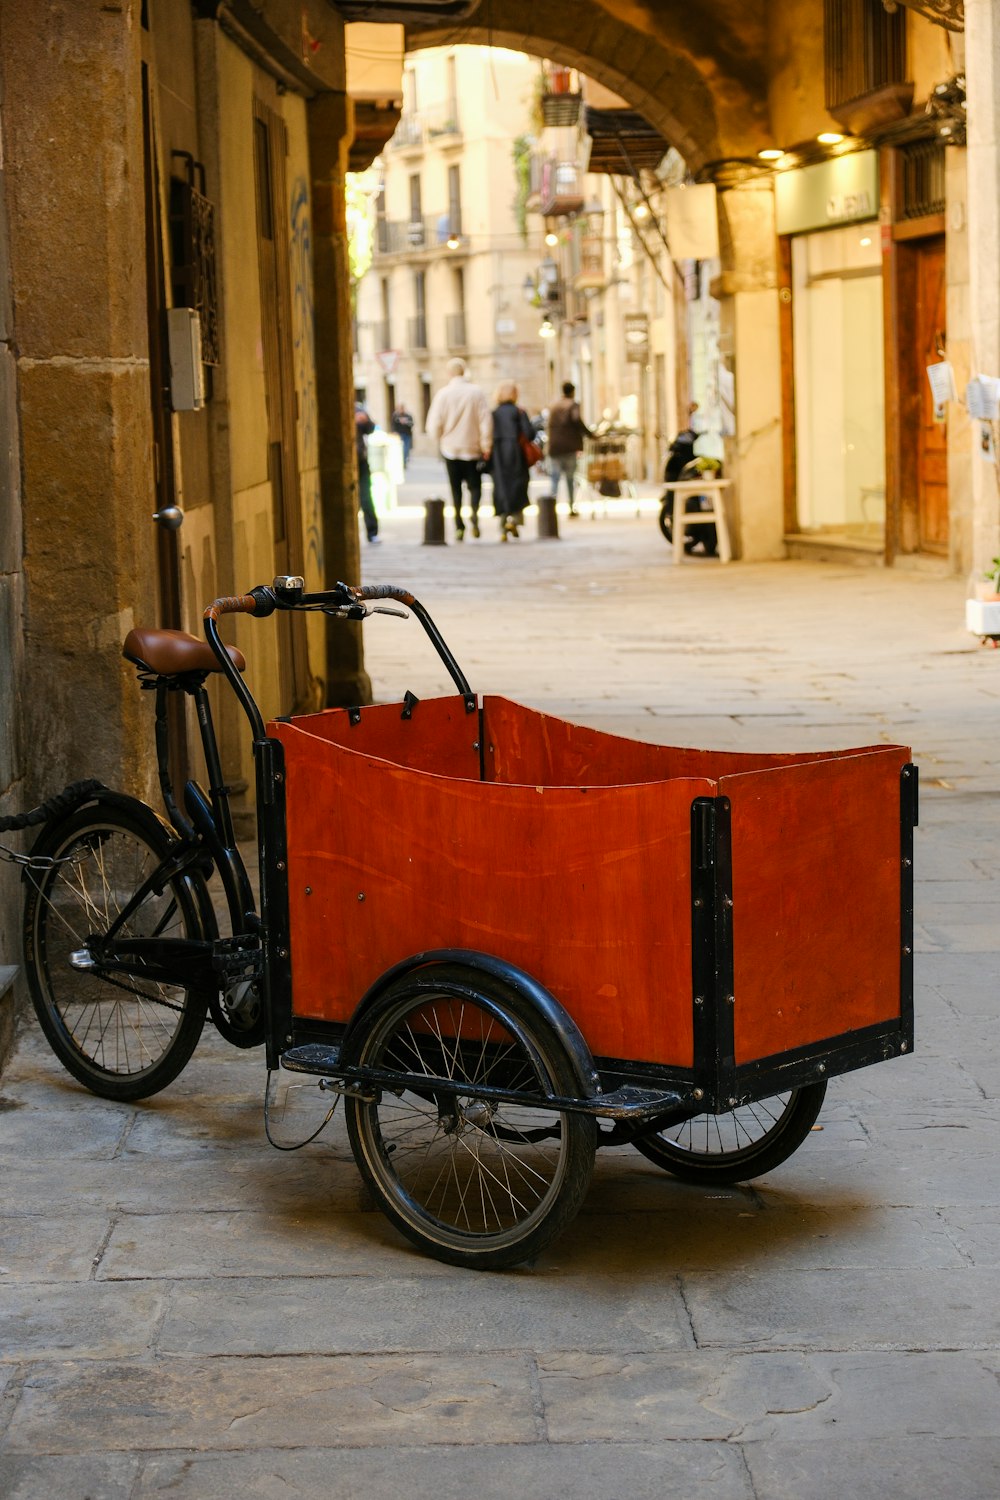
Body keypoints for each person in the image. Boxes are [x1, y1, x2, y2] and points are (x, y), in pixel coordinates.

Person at [425, 357, 492, 540]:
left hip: (451, 449)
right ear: (464, 372)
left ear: (449, 373)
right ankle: (475, 516)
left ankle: (459, 526)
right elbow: (485, 421)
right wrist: (486, 445)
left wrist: (439, 439)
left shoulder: (443, 394)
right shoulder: (476, 393)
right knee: (475, 487)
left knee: (455, 489)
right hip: (472, 449)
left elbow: (433, 424)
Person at [490, 381, 534, 541]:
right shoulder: (519, 412)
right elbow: (529, 434)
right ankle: (515, 520)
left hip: (498, 454)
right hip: (516, 453)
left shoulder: (493, 413)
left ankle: (503, 525)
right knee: (518, 486)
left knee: (501, 487)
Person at [546, 381, 592, 518]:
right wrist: (589, 434)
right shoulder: (573, 405)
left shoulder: (554, 406)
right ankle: (571, 506)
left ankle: (550, 508)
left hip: (554, 447)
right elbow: (577, 420)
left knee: (554, 478)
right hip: (569, 447)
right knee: (569, 478)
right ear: (572, 391)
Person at [354, 401, 380, 544]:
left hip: (361, 461)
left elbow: (370, 429)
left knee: (366, 497)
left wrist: (365, 420)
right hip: (350, 460)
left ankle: (372, 532)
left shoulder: (357, 409)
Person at [390, 402, 414, 469]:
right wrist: (394, 432)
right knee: (400, 450)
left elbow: (412, 424)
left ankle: (404, 462)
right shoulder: (395, 416)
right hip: (399, 435)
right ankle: (401, 462)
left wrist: (406, 422)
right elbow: (392, 425)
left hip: (407, 434)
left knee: (406, 449)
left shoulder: (408, 416)